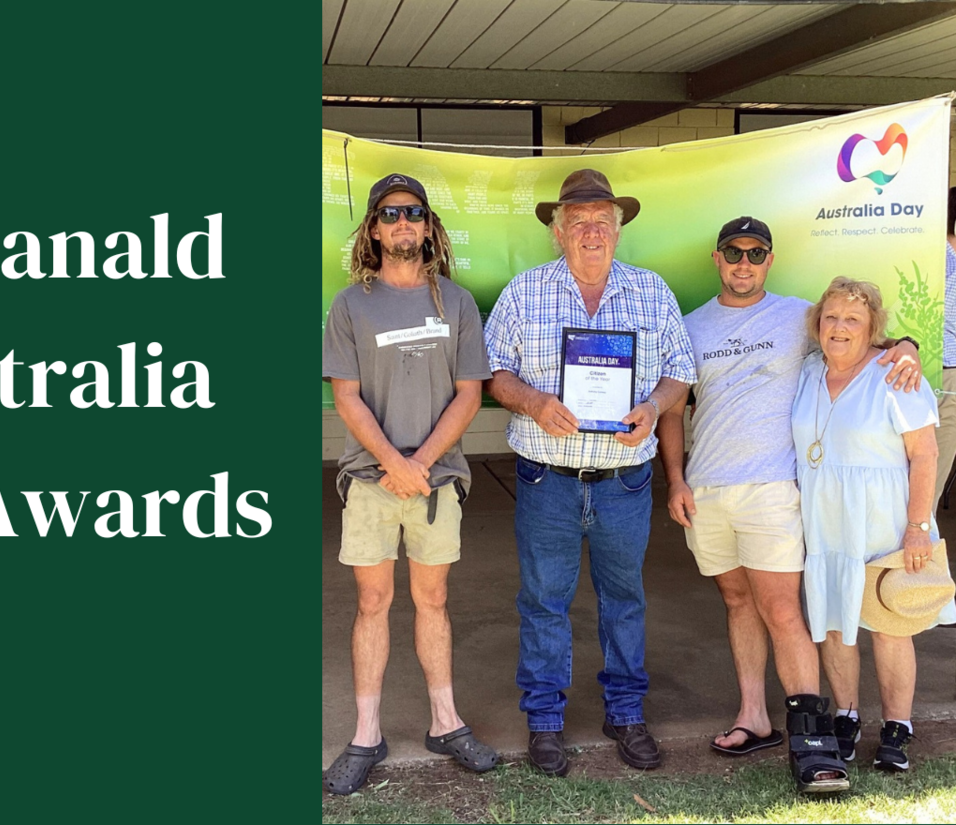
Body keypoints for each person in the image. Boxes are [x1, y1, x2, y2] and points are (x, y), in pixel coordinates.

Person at [657, 219, 920, 793]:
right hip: (706, 490)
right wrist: (675, 479)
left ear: (770, 260)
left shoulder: (800, 316)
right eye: (733, 252)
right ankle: (754, 717)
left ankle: (815, 743)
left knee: (781, 609)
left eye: (755, 253)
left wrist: (907, 347)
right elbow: (673, 409)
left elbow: (862, 339)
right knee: (736, 601)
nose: (743, 262)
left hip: (774, 488)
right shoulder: (690, 325)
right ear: (717, 258)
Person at [483, 168, 696, 776]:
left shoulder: (651, 292)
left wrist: (655, 407)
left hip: (624, 479)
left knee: (623, 599)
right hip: (546, 477)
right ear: (558, 233)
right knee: (544, 601)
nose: (592, 232)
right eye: (579, 222)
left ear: (619, 231)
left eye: (603, 221)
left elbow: (680, 370)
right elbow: (493, 373)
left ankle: (626, 712)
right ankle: (545, 721)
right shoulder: (525, 293)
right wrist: (533, 402)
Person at [322, 173, 498, 795]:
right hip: (371, 481)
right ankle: (366, 732)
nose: (403, 223)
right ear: (373, 228)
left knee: (433, 602)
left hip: (436, 482)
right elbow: (346, 397)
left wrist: (418, 463)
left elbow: (470, 393)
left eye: (414, 213)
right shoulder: (349, 305)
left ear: (428, 227)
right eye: (390, 214)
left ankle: (445, 723)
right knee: (372, 603)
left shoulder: (457, 302)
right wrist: (393, 465)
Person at [791, 277, 956, 773]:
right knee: (836, 623)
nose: (839, 328)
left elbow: (925, 454)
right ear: (818, 324)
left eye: (853, 319)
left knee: (889, 625)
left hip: (885, 519)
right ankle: (846, 716)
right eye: (832, 317)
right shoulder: (807, 371)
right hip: (826, 520)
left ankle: (897, 727)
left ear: (873, 330)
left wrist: (917, 527)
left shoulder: (896, 375)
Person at [932, 186, 956, 513]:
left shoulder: (928, 249)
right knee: (935, 459)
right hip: (941, 371)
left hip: (923, 364)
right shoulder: (944, 257)